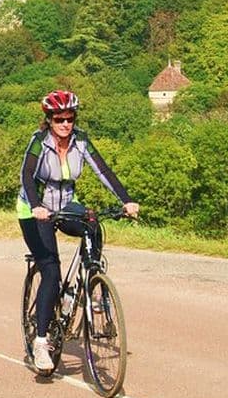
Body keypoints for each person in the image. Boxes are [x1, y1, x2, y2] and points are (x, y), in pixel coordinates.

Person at [17, 91, 139, 371]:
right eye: (59, 119)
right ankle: (41, 341)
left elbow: (103, 171)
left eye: (70, 119)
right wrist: (36, 206)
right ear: (49, 120)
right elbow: (26, 174)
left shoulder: (80, 141)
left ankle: (90, 280)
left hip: (65, 204)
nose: (65, 124)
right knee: (50, 270)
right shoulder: (39, 142)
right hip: (35, 210)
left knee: (93, 224)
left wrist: (126, 200)